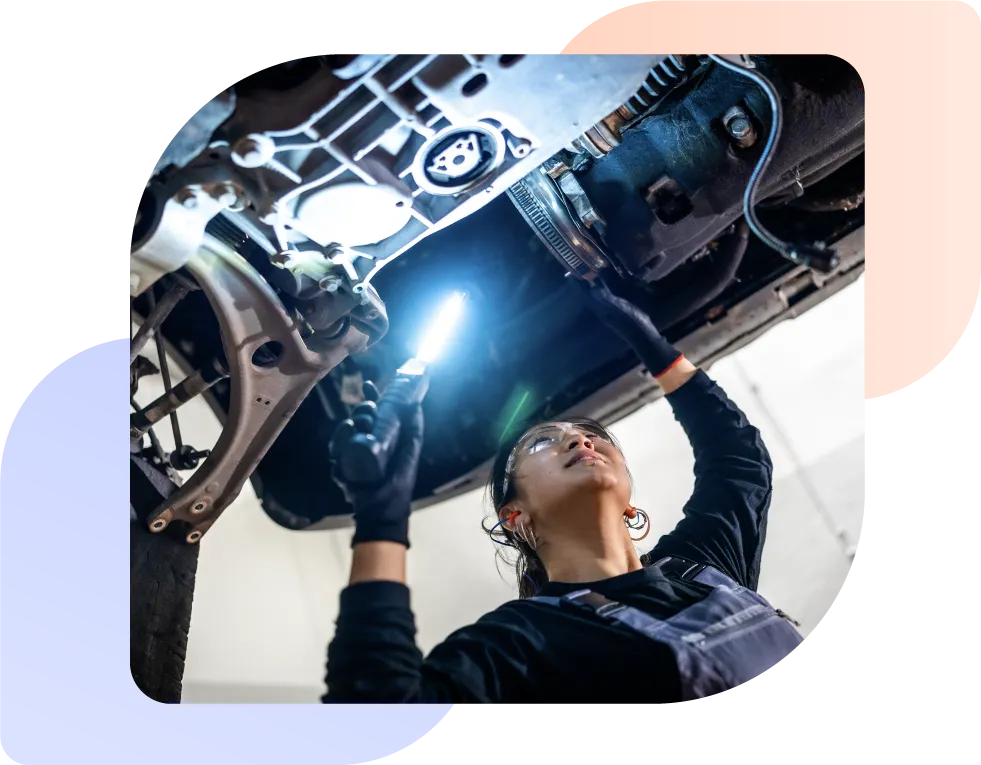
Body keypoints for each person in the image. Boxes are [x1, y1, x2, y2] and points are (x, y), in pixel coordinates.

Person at [323, 277, 805, 704]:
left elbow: (739, 460)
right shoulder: (526, 643)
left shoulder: (701, 567)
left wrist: (655, 348)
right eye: (542, 442)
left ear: (629, 500)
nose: (579, 438)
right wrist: (381, 521)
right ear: (516, 516)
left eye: (591, 436)